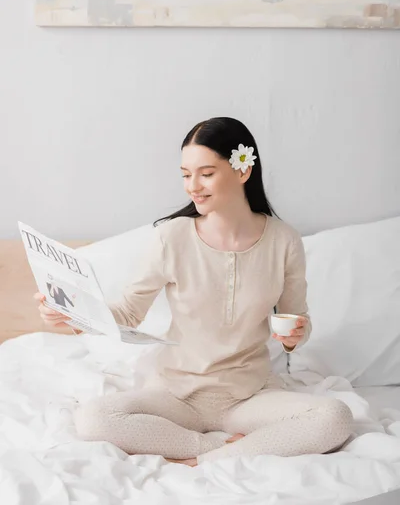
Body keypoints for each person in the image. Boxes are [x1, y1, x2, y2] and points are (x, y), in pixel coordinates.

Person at [35, 117, 353, 467]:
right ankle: (213, 454)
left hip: (249, 397)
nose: (192, 186)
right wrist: (76, 315)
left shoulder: (284, 240)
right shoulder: (172, 237)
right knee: (93, 418)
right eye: (186, 174)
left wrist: (296, 334)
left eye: (206, 173)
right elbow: (129, 312)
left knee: (334, 416)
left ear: (242, 171)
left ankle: (212, 455)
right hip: (175, 395)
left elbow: (296, 321)